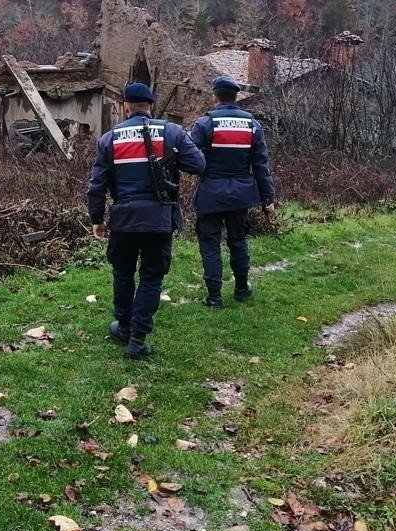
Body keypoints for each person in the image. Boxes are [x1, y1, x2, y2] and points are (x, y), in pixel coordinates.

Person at [86, 82, 206, 359]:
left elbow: (96, 186)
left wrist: (97, 219)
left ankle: (124, 326)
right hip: (159, 218)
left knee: (123, 273)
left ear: (125, 107)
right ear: (151, 106)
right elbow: (198, 165)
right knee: (152, 277)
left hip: (123, 219)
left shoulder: (109, 139)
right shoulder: (172, 132)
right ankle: (138, 339)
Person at [189, 76, 276, 308]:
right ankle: (241, 289)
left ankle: (214, 297)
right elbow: (261, 166)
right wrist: (268, 198)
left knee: (210, 244)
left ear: (215, 96)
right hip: (241, 195)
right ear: (236, 96)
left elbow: (188, 153)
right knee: (238, 241)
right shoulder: (252, 125)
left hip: (210, 195)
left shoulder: (205, 123)